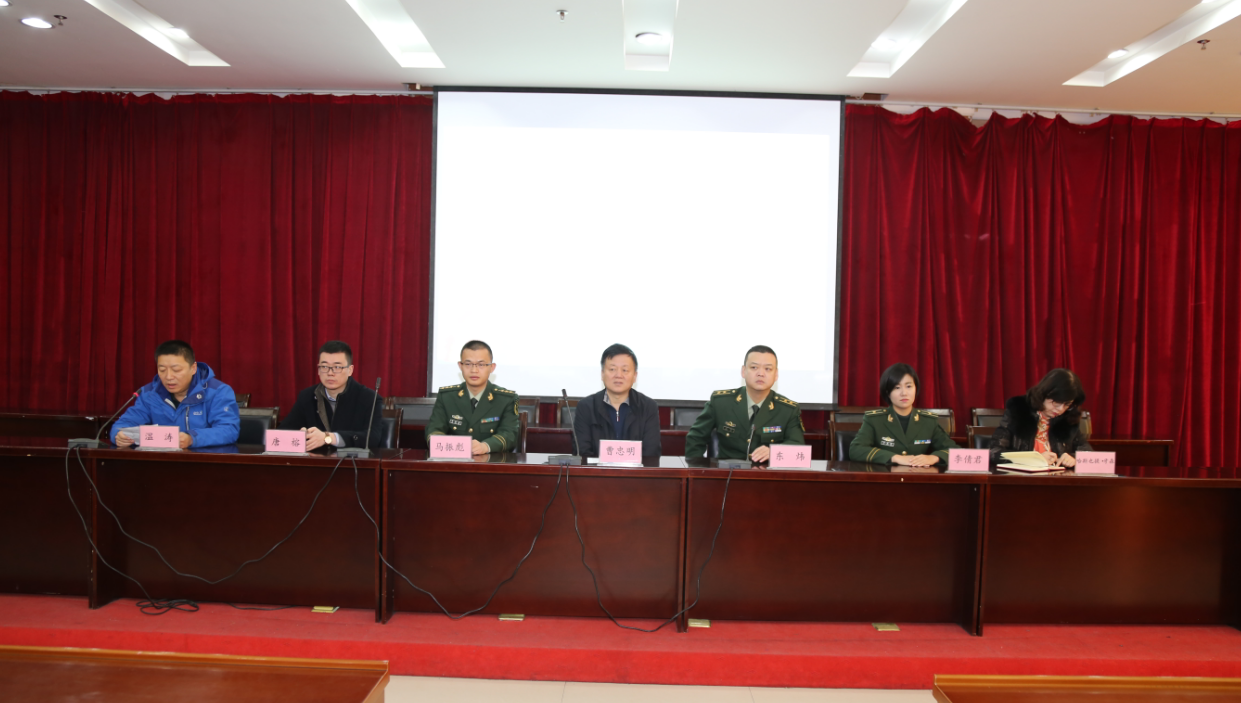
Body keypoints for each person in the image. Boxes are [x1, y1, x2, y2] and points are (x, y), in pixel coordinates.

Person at [111, 340, 240, 449]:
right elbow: (121, 425)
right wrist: (119, 435)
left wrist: (192, 438)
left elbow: (228, 430)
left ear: (193, 368)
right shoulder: (149, 394)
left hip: (203, 463)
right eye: (162, 370)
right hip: (159, 463)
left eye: (176, 370)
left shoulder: (218, 391)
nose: (168, 377)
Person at [685, 345, 804, 462]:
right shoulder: (721, 402)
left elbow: (798, 449)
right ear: (743, 371)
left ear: (776, 374)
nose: (761, 373)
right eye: (754, 367)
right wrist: (698, 469)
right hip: (728, 473)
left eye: (768, 369)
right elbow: (695, 437)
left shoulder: (788, 410)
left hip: (767, 473)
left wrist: (775, 452)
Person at [279, 340, 386, 451]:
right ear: (318, 370)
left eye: (337, 367)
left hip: (351, 461)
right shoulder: (307, 396)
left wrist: (328, 438)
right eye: (324, 367)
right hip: (315, 459)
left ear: (350, 370)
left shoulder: (369, 398)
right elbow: (282, 432)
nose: (330, 373)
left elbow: (373, 438)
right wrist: (300, 435)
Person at [849, 363, 958, 465]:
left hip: (917, 476)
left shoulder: (928, 421)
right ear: (887, 392)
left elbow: (956, 452)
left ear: (916, 388)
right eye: (897, 388)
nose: (904, 393)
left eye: (909, 386)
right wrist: (895, 457)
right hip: (886, 476)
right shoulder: (875, 420)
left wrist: (934, 458)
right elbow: (856, 449)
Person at [425, 340, 520, 454]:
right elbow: (434, 430)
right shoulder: (447, 397)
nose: (474, 370)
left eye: (481, 364)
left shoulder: (506, 399)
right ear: (460, 366)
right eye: (468, 364)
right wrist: (455, 447)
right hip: (454, 460)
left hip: (492, 461)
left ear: (492, 367)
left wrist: (485, 446)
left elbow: (509, 434)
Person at [572, 343, 662, 458]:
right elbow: (582, 452)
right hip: (596, 470)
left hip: (637, 470)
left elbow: (651, 453)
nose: (618, 375)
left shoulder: (648, 407)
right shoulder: (586, 407)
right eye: (612, 369)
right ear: (602, 374)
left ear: (635, 376)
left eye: (625, 370)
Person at [990, 368, 1092, 467]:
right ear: (1044, 393)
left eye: (1067, 404)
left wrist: (1074, 458)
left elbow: (1088, 452)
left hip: (1058, 476)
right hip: (1022, 476)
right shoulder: (1019, 410)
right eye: (1057, 402)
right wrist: (1033, 458)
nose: (1061, 409)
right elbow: (994, 452)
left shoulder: (1068, 417)